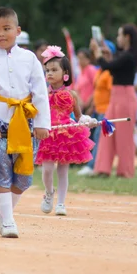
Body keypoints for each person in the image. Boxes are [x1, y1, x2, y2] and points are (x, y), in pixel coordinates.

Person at [0, 7, 50, 238]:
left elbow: (40, 92)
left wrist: (42, 122)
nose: (2, 34)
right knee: (0, 172)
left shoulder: (30, 59)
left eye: (7, 29)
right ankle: (8, 221)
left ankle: (4, 214)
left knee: (24, 178)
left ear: (17, 30)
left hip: (26, 124)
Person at [35, 46, 96, 216]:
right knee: (47, 169)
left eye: (54, 70)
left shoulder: (72, 95)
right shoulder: (41, 94)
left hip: (67, 135)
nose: (50, 73)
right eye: (47, 70)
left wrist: (87, 120)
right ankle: (48, 193)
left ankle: (61, 203)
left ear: (65, 73)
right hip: (47, 134)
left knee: (63, 170)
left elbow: (79, 116)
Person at [90, 23, 137, 178]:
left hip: (125, 97)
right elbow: (113, 64)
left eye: (120, 35)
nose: (118, 38)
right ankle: (102, 169)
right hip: (116, 97)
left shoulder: (129, 56)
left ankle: (125, 171)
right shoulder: (125, 55)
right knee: (107, 132)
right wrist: (104, 52)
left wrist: (97, 52)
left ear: (127, 37)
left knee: (124, 136)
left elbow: (108, 66)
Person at [77, 40, 116, 176]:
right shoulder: (100, 70)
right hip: (98, 109)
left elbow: (112, 93)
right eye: (102, 52)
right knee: (97, 137)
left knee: (100, 137)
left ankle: (93, 166)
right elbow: (97, 91)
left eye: (106, 52)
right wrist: (92, 107)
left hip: (106, 109)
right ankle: (96, 166)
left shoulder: (110, 72)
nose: (103, 55)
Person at [74, 48, 98, 114]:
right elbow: (77, 89)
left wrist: (89, 102)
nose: (80, 60)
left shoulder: (91, 69)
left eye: (82, 58)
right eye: (78, 58)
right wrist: (80, 101)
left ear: (88, 59)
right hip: (82, 107)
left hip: (92, 106)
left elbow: (97, 87)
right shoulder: (80, 72)